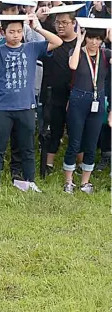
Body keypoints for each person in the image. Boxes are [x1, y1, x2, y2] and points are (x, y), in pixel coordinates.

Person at [0, 14, 62, 193]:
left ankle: (30, 180)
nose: (16, 35)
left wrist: (37, 28)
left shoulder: (31, 48)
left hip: (25, 106)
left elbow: (57, 42)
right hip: (2, 107)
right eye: (11, 32)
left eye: (19, 31)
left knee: (28, 147)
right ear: (4, 32)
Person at [62, 27, 110, 194]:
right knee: (75, 142)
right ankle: (68, 181)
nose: (94, 42)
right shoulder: (77, 52)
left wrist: (110, 39)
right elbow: (73, 65)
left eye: (98, 39)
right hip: (78, 100)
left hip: (97, 100)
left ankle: (85, 182)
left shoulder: (105, 54)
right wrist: (79, 42)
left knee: (91, 143)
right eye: (91, 38)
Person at [40, 9, 79, 177]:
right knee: (53, 129)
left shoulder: (81, 43)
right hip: (52, 93)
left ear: (74, 23)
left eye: (65, 22)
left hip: (76, 94)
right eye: (58, 23)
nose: (61, 26)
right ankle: (48, 163)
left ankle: (77, 163)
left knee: (75, 130)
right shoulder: (52, 42)